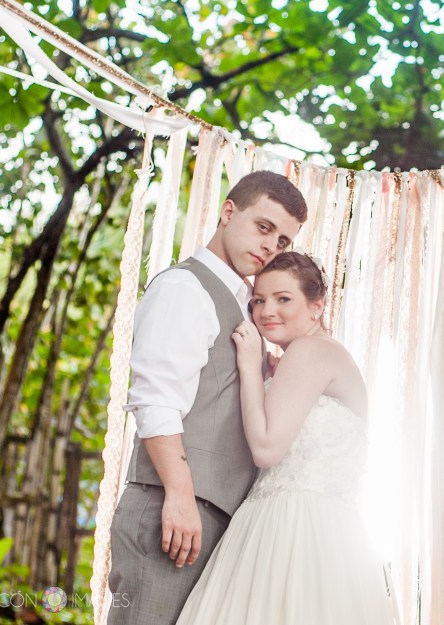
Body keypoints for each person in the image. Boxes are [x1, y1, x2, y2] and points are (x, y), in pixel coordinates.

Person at [107, 172, 308, 625]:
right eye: (262, 227)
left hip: (217, 518)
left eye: (281, 241)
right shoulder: (185, 288)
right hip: (173, 508)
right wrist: (179, 495)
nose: (269, 247)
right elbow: (155, 399)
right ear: (228, 212)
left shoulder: (249, 306)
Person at [176, 251, 396, 625]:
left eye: (283, 299)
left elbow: (265, 448)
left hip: (293, 528)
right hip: (331, 533)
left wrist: (249, 367)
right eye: (259, 300)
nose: (266, 311)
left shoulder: (310, 351)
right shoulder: (325, 354)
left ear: (316, 306)